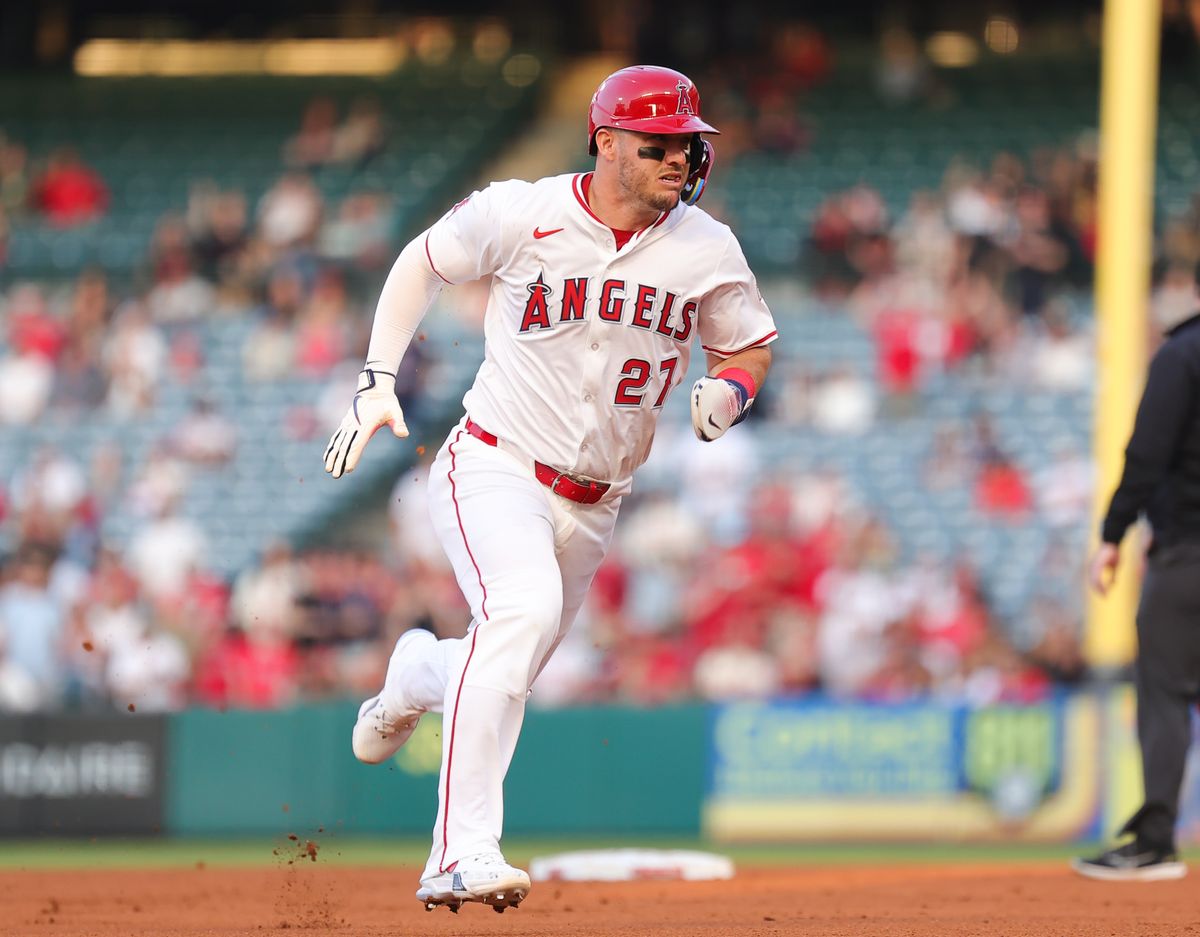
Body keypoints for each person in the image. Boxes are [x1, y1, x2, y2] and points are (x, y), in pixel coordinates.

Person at [322, 65, 776, 912]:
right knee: (520, 613)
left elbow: (748, 345)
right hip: (493, 462)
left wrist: (733, 390)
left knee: (508, 666)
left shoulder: (707, 247)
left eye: (687, 142)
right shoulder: (522, 209)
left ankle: (421, 672)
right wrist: (378, 376)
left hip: (597, 501)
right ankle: (459, 853)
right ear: (606, 142)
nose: (680, 156)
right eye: (660, 143)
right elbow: (419, 263)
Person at [1071, 281, 1200, 882]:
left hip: (1189, 555)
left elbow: (1147, 452)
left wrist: (1114, 532)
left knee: (1166, 693)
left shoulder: (1183, 353)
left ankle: (1154, 841)